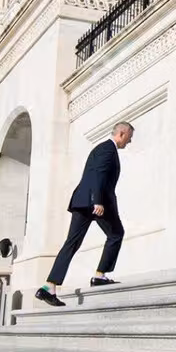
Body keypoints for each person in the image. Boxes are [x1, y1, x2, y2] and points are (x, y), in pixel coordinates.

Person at [35, 121, 135, 307]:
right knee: (116, 233)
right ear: (122, 133)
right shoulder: (108, 149)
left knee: (71, 243)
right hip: (95, 203)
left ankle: (49, 287)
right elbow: (98, 174)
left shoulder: (101, 148)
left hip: (82, 202)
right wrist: (97, 201)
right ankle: (99, 276)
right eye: (129, 138)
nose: (129, 142)